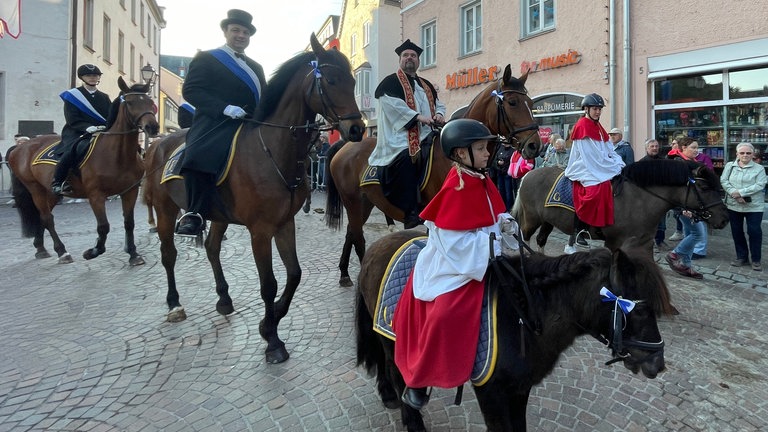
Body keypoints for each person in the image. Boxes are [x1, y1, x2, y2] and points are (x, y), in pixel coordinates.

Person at [392, 119, 518, 411]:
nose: (488, 153)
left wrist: (506, 224)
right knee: (445, 312)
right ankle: (419, 381)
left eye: (486, 147)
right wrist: (495, 242)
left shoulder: (483, 179)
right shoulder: (455, 186)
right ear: (461, 154)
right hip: (452, 263)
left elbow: (493, 215)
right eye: (480, 148)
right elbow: (456, 246)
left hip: (482, 253)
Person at [175, 9, 267, 236]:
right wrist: (224, 108)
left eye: (245, 32)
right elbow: (191, 90)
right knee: (199, 153)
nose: (241, 35)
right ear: (225, 31)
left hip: (250, 123)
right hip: (216, 122)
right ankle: (194, 213)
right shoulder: (207, 58)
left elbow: (265, 98)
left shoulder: (256, 67)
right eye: (236, 30)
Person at [368, 39, 447, 229]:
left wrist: (438, 114)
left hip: (427, 133)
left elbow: (440, 104)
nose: (409, 58)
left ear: (418, 60)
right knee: (407, 159)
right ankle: (410, 211)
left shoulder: (426, 84)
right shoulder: (390, 82)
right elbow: (393, 107)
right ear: (400, 60)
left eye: (413, 55)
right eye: (406, 55)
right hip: (399, 137)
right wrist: (419, 117)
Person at [562, 93, 625, 254]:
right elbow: (590, 155)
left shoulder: (598, 126)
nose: (598, 112)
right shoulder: (583, 125)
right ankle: (578, 233)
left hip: (600, 164)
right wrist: (610, 166)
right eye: (595, 109)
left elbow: (607, 148)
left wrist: (617, 160)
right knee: (596, 190)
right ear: (587, 109)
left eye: (599, 109)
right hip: (585, 165)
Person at [51, 64, 112, 196]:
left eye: (95, 75)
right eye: (89, 75)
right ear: (82, 77)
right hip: (77, 131)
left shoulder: (104, 97)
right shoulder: (73, 96)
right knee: (72, 150)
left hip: (101, 131)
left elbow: (110, 116)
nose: (92, 78)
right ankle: (59, 181)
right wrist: (87, 127)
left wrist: (107, 126)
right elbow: (71, 118)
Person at [720, 142, 767, 272]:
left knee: (754, 231)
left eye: (748, 153)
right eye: (742, 153)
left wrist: (741, 193)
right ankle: (741, 257)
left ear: (753, 154)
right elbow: (724, 181)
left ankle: (756, 260)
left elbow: (760, 185)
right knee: (737, 231)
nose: (745, 155)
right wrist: (734, 194)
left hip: (753, 206)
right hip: (734, 205)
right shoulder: (730, 166)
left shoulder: (759, 169)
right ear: (737, 154)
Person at [664, 138, 707, 279]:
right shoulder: (678, 163)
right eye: (693, 147)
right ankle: (674, 254)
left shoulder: (691, 163)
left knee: (690, 234)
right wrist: (682, 209)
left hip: (692, 206)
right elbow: (675, 189)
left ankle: (686, 266)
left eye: (697, 148)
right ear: (683, 147)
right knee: (698, 234)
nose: (696, 150)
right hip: (685, 208)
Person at [641, 139, 671, 251]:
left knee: (661, 222)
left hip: (661, 198)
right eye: (652, 146)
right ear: (647, 148)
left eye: (656, 146)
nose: (654, 148)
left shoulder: (663, 162)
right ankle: (647, 242)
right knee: (648, 222)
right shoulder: (642, 163)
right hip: (647, 198)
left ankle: (660, 241)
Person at [492, 140, 515, 210]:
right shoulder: (500, 148)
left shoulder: (512, 150)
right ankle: (503, 207)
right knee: (501, 191)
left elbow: (512, 163)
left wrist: (504, 164)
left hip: (507, 174)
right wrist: (498, 163)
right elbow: (495, 159)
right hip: (500, 173)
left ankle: (509, 208)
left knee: (508, 192)